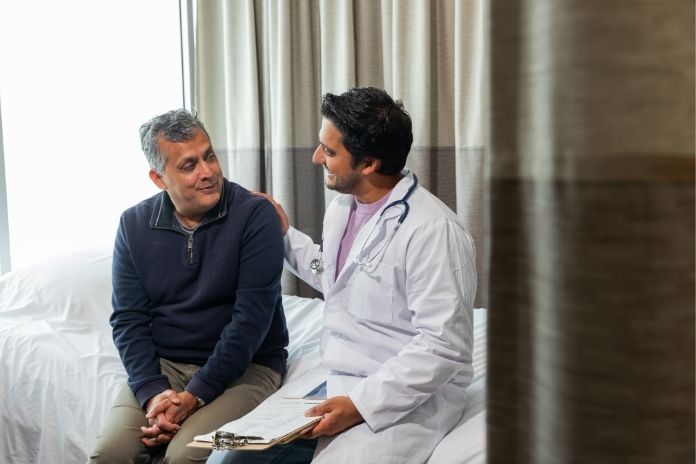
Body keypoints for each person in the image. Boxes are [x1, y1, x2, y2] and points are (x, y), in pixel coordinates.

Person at [211, 87, 476, 464]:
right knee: (228, 458)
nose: (317, 158)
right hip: (336, 377)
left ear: (368, 163)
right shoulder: (343, 208)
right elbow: (335, 278)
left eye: (329, 151)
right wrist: (284, 234)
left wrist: (359, 405)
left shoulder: (434, 231)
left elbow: (443, 345)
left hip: (401, 394)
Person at [90, 109, 289, 464]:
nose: (207, 172)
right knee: (110, 454)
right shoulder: (133, 225)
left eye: (209, 156)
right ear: (158, 178)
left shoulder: (255, 215)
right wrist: (154, 394)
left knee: (184, 456)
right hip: (166, 366)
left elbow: (251, 321)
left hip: (248, 367)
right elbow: (128, 320)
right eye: (189, 165)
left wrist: (195, 395)